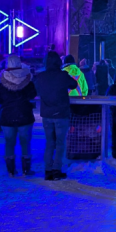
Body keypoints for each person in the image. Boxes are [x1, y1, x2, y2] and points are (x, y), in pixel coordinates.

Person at [35, 51, 78, 180]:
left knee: (49, 142)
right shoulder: (63, 75)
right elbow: (74, 84)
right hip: (61, 113)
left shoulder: (40, 76)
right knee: (60, 143)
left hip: (47, 114)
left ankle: (48, 170)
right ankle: (56, 169)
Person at [0, 55, 37, 177]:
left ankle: (11, 170)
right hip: (25, 114)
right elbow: (33, 94)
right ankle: (26, 169)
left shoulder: (2, 81)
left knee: (9, 143)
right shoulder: (27, 80)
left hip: (7, 116)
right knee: (25, 142)